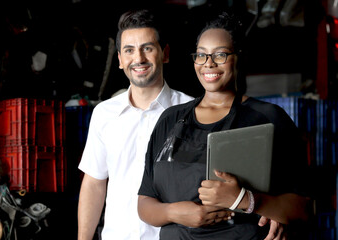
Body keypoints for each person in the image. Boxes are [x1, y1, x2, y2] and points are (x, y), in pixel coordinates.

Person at [137, 11, 312, 239]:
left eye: (220, 55)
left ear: (238, 57)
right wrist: (175, 212)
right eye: (201, 55)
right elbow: (144, 203)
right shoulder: (170, 120)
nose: (208, 64)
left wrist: (245, 200)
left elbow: (304, 209)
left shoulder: (268, 118)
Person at [77, 9, 194, 240]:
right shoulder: (104, 114)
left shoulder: (192, 112)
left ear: (165, 53)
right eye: (129, 50)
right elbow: (94, 184)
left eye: (147, 48)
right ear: (120, 60)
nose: (138, 59)